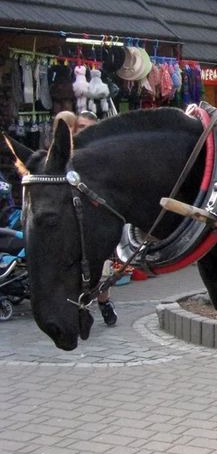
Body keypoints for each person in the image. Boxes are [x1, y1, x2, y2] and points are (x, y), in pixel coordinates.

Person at [71, 111, 118, 326]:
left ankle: (104, 303)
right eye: (81, 126)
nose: (84, 131)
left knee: (101, 267)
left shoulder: (103, 159)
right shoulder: (67, 157)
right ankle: (76, 307)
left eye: (89, 127)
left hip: (96, 221)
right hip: (73, 220)